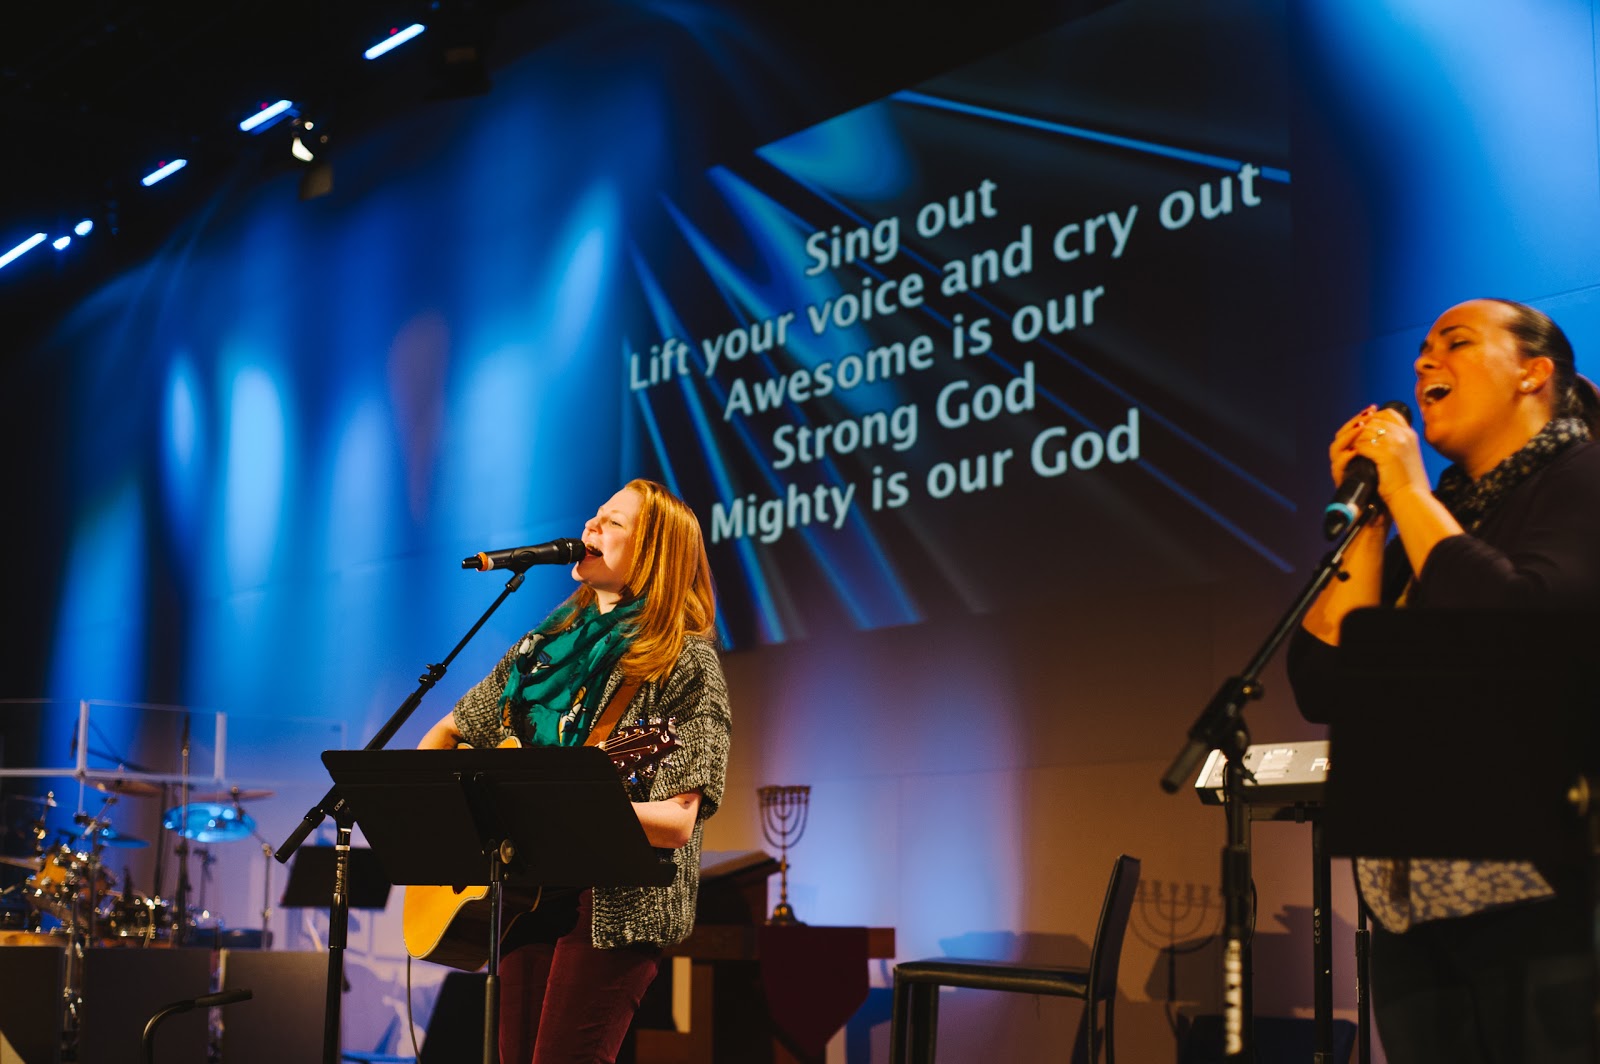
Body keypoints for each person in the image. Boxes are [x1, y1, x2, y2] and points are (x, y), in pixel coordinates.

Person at [1288, 298, 1600, 1063]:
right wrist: (1372, 523)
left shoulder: (1581, 476)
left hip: (1548, 903)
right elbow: (1326, 683)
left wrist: (1409, 495)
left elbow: (1522, 626)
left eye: (1454, 344)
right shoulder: (1438, 521)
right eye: (1421, 349)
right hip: (1411, 913)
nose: (1425, 361)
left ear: (1535, 373)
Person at [419, 478, 731, 1064]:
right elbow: (449, 728)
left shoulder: (684, 661)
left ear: (654, 551)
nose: (590, 528)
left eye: (613, 522)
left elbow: (676, 822)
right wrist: (442, 821)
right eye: (593, 516)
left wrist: (570, 809)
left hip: (614, 900)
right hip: (528, 895)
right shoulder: (541, 649)